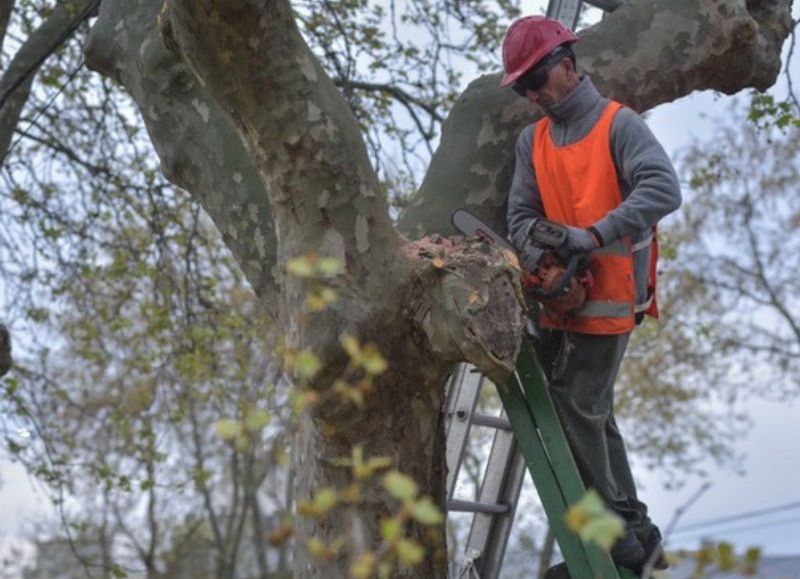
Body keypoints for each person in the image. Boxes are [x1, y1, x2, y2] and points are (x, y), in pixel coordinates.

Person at [501, 15, 682, 577]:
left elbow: (663, 188)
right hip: (565, 297)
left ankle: (616, 541)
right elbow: (521, 215)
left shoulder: (617, 125)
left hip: (613, 295)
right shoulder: (531, 141)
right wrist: (542, 257)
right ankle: (639, 533)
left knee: (573, 405)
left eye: (537, 81)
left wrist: (592, 236)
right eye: (524, 87)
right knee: (592, 414)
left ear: (568, 65)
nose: (532, 95)